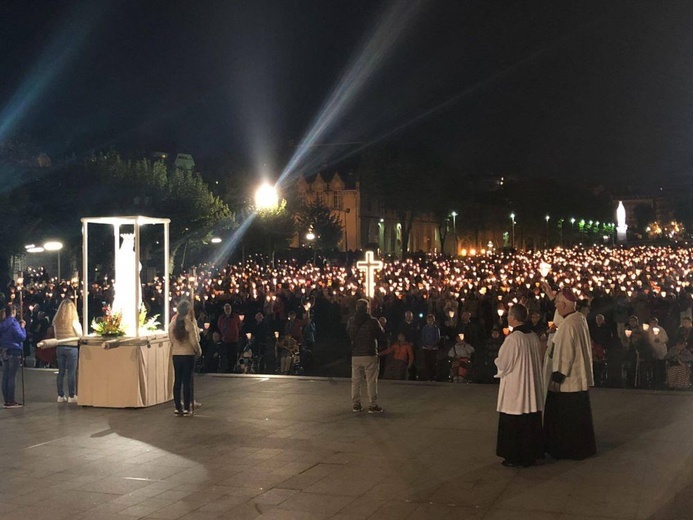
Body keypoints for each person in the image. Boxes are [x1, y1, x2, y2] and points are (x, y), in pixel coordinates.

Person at [543, 288, 596, 460]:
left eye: (558, 303)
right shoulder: (578, 318)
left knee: (567, 420)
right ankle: (581, 448)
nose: (556, 306)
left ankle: (566, 450)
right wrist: (552, 296)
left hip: (568, 380)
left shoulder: (568, 326)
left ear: (564, 305)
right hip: (578, 378)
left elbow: (566, 353)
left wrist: (558, 375)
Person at [495, 304, 545, 467]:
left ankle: (514, 456)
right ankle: (530, 454)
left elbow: (504, 363)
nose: (507, 317)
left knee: (514, 421)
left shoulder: (514, 338)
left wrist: (497, 361)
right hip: (531, 386)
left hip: (516, 387)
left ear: (513, 317)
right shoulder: (532, 335)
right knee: (529, 420)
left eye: (509, 314)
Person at [347, 298, 386, 413]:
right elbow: (380, 334)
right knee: (371, 380)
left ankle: (356, 404)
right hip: (369, 352)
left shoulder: (351, 321)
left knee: (356, 380)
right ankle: (373, 404)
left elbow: (348, 333)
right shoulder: (372, 321)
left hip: (355, 353)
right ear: (367, 308)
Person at [169, 299, 202, 416]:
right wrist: (198, 351)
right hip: (188, 354)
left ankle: (178, 407)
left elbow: (171, 339)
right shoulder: (189, 324)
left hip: (176, 354)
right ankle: (187, 407)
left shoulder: (173, 323)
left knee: (177, 380)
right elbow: (194, 341)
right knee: (187, 381)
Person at [53, 299, 83, 403]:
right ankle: (71, 395)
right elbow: (80, 335)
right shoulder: (74, 321)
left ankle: (60, 395)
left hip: (60, 347)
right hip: (72, 348)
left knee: (61, 372)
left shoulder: (56, 321)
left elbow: (56, 335)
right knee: (71, 372)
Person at [0, 304, 27, 408]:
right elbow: (21, 337)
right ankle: (11, 400)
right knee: (12, 376)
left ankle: (6, 399)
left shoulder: (2, 323)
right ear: (14, 311)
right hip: (13, 350)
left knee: (5, 376)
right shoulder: (13, 323)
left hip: (4, 350)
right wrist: (23, 328)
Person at [217, 303, 241, 373]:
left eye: (229, 309)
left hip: (234, 340)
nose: (228, 310)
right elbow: (220, 326)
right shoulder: (222, 318)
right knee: (226, 355)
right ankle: (226, 368)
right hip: (225, 340)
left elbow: (239, 326)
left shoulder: (235, 317)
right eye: (226, 309)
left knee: (233, 355)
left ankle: (232, 368)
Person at [420, 314, 441, 381]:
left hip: (433, 348)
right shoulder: (424, 328)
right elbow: (423, 337)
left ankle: (433, 376)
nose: (430, 321)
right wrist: (426, 345)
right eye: (429, 320)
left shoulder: (436, 329)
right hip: (426, 347)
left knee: (433, 362)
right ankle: (427, 377)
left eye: (431, 320)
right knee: (427, 362)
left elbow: (437, 338)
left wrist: (432, 345)